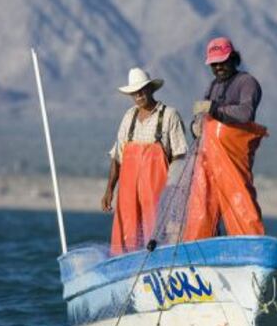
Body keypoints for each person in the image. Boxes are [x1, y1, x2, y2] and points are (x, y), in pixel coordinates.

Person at [183, 37, 267, 241]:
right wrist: (195, 126)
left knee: (240, 203)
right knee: (202, 206)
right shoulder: (212, 86)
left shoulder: (247, 83)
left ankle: (250, 246)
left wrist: (214, 110)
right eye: (214, 63)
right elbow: (201, 119)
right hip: (207, 158)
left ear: (233, 58)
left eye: (223, 61)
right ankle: (199, 249)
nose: (219, 67)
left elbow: (246, 112)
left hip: (232, 158)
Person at [101, 67, 188, 254]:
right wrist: (109, 190)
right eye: (134, 92)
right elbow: (118, 156)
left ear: (151, 89)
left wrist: (173, 195)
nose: (138, 95)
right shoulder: (128, 117)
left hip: (159, 194)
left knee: (157, 235)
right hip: (128, 193)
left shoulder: (169, 116)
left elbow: (180, 157)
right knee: (127, 237)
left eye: (142, 89)